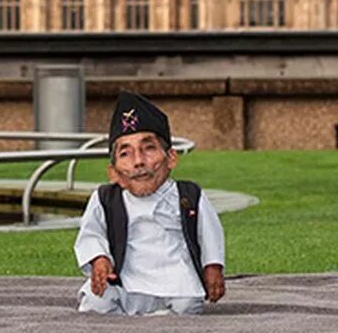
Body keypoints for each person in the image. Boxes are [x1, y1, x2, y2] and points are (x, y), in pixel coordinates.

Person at [73, 90, 225, 316]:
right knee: (98, 302)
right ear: (113, 172)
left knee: (188, 305)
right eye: (126, 153)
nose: (138, 162)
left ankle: (163, 318)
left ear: (171, 158)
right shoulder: (106, 198)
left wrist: (212, 266)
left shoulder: (189, 196)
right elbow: (91, 233)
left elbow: (210, 233)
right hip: (127, 278)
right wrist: (99, 259)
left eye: (149, 148)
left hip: (176, 279)